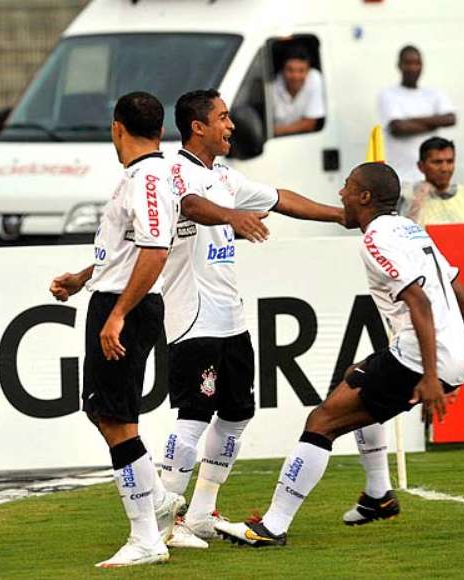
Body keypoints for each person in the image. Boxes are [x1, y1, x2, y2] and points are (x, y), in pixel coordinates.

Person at [215, 162, 464, 547]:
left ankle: (272, 526)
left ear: (365, 197)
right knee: (356, 376)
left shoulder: (376, 240)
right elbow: (463, 295)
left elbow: (417, 301)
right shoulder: (410, 228)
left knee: (322, 422)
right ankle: (378, 495)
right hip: (453, 350)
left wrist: (433, 376)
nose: (342, 194)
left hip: (420, 358)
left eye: (348, 187)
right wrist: (453, 359)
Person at [159, 89, 344, 545]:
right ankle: (162, 522)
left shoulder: (223, 175)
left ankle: (201, 512)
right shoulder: (173, 172)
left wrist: (342, 216)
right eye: (222, 118)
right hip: (191, 317)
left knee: (238, 413)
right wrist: (233, 217)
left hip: (230, 317)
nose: (232, 125)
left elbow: (280, 198)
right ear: (197, 126)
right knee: (193, 415)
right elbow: (191, 207)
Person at [48, 91, 183, 568]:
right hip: (117, 296)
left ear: (116, 127)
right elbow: (128, 248)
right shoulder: (144, 175)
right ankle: (157, 500)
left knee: (116, 418)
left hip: (129, 304)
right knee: (105, 411)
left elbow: (154, 250)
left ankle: (146, 534)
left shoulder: (147, 178)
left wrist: (119, 312)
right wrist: (84, 277)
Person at [378, 45, 456, 184]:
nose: (413, 68)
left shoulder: (434, 94)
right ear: (399, 65)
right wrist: (434, 123)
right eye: (408, 63)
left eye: (417, 63)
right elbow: (398, 128)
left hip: (430, 179)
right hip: (400, 178)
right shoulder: (388, 95)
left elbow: (450, 119)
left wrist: (411, 120)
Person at [399, 137, 464, 226]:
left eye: (450, 161)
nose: (444, 168)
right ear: (421, 166)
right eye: (437, 162)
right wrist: (416, 203)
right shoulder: (409, 198)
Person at [272, 45, 326, 136]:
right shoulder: (273, 84)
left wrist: (274, 131)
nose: (295, 76)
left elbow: (309, 124)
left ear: (308, 71)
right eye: (290, 70)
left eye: (301, 71)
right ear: (283, 70)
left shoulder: (314, 78)